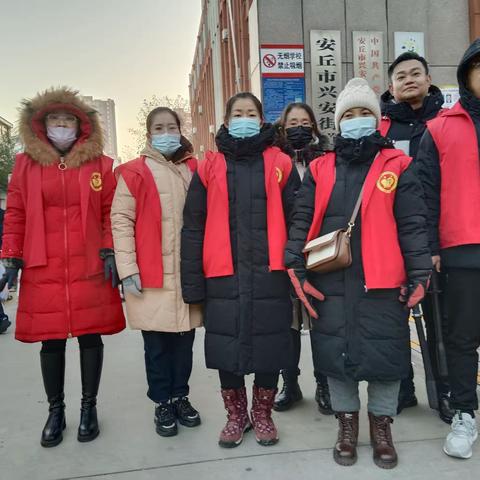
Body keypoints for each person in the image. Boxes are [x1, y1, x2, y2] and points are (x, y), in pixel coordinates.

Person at [285, 78, 431, 469]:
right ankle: (346, 426)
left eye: (364, 112)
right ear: (337, 122)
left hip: (383, 281)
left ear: (377, 118)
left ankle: (381, 428)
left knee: (385, 356)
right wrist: (294, 265)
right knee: (336, 356)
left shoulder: (397, 165)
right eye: (348, 114)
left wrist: (419, 274)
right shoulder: (320, 167)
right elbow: (302, 221)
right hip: (330, 279)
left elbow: (414, 223)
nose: (356, 120)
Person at [1, 88, 125, 447]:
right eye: (55, 120)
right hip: (44, 265)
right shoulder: (26, 165)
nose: (61, 126)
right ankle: (56, 410)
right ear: (42, 126)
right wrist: (11, 252)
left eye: (68, 120)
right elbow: (17, 212)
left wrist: (109, 249)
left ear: (80, 126)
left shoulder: (99, 165)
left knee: (91, 336)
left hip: (89, 264)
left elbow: (109, 213)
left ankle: (89, 408)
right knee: (51, 343)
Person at [181, 92, 300, 448]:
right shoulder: (209, 165)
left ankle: (262, 414)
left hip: (271, 271)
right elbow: (193, 226)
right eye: (238, 113)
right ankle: (236, 416)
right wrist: (193, 284)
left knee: (270, 346)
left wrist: (296, 266)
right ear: (227, 120)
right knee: (225, 347)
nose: (244, 118)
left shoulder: (281, 162)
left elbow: (298, 219)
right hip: (222, 273)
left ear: (262, 119)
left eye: (251, 113)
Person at [111, 107, 202, 438]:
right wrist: (127, 269)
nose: (166, 132)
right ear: (149, 134)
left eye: (172, 126)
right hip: (151, 275)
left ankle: (181, 396)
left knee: (185, 342)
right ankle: (162, 401)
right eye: (159, 128)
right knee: (157, 345)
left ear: (180, 130)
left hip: (187, 274)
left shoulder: (192, 169)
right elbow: (121, 222)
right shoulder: (134, 172)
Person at [416, 38, 480, 460]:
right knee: (461, 339)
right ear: (468, 74)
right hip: (461, 253)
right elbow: (424, 196)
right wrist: (430, 249)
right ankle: (464, 412)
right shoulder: (440, 128)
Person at [380, 52, 452, 422]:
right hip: (391, 240)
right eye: (401, 76)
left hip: (438, 238)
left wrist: (435, 243)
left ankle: (446, 391)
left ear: (428, 79)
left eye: (416, 74)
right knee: (394, 319)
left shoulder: (446, 122)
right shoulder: (381, 131)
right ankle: (403, 389)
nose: (409, 80)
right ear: (391, 86)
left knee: (442, 319)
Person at [272, 102, 332, 414]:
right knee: (288, 324)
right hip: (285, 250)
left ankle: (324, 383)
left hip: (320, 251)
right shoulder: (274, 161)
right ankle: (290, 384)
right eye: (293, 121)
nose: (299, 127)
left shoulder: (326, 158)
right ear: (283, 127)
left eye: (305, 122)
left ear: (314, 127)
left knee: (321, 321)